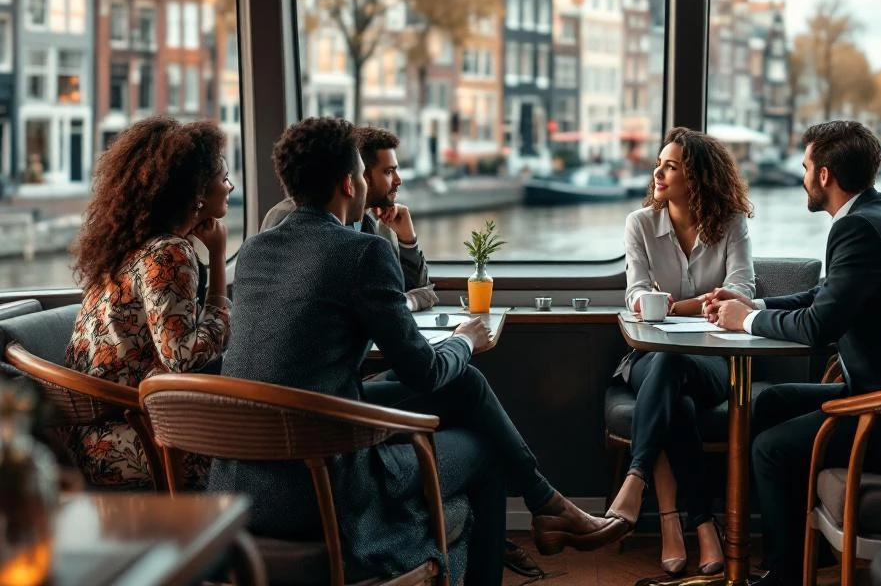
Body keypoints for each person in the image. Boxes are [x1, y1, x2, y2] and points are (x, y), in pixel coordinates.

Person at [211, 117, 627, 586]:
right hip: (322, 483)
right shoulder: (362, 253)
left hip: (240, 487)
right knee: (484, 448)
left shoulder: (255, 251)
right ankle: (545, 507)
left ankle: (548, 504)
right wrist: (465, 340)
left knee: (465, 383)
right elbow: (424, 373)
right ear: (351, 183)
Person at [705, 120, 881, 586]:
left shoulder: (859, 230)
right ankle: (790, 549)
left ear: (824, 176)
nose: (803, 176)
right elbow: (823, 296)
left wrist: (741, 321)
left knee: (770, 450)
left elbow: (817, 325)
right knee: (769, 402)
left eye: (806, 166)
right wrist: (755, 304)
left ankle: (785, 573)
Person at [605, 127, 754, 576]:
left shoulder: (731, 223)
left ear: (698, 176)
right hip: (646, 358)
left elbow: (742, 292)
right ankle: (703, 526)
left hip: (713, 362)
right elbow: (635, 294)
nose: (658, 172)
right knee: (671, 377)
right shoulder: (641, 224)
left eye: (671, 166)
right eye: (660, 162)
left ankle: (639, 480)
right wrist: (686, 302)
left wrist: (671, 305)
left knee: (678, 385)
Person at [66, 117, 233, 488]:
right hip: (128, 435)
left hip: (92, 434)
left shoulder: (132, 248)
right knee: (252, 446)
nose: (230, 186)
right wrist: (219, 258)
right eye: (223, 178)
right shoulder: (169, 252)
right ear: (198, 192)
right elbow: (183, 356)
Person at [261, 125, 436, 310]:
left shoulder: (379, 225)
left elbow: (418, 290)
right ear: (360, 177)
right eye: (388, 171)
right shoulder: (285, 217)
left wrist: (407, 241)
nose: (398, 180)